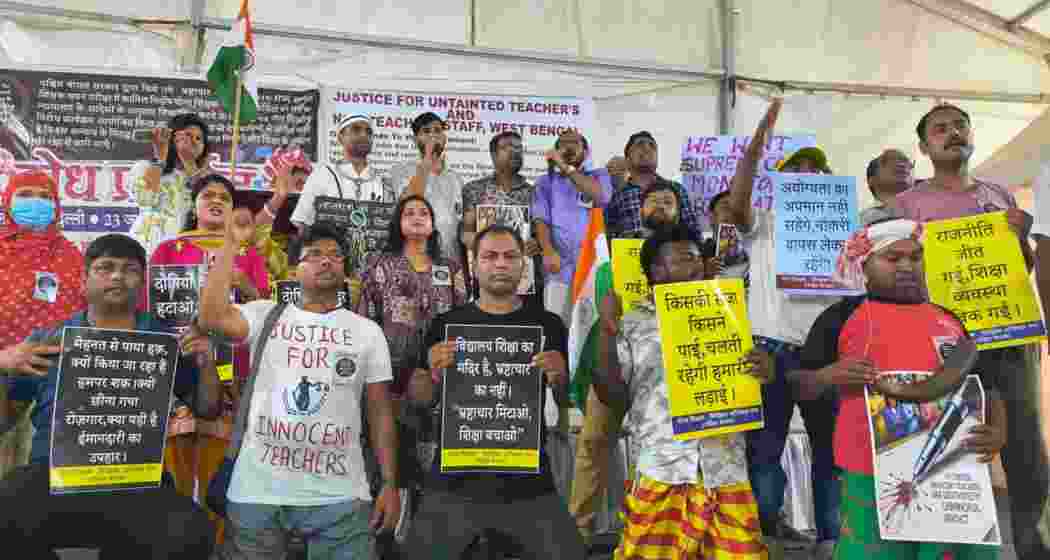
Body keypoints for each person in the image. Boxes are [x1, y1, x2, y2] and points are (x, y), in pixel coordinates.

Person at [790, 218, 1006, 560]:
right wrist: (829, 375)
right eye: (893, 259)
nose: (907, 266)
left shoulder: (948, 317)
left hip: (951, 470)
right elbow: (797, 386)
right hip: (868, 471)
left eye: (915, 257)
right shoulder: (840, 317)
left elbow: (987, 386)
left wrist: (997, 432)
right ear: (865, 266)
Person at [0, 233, 219, 558]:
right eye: (105, 267)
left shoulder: (166, 341)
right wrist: (3, 366)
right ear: (84, 279)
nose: (117, 276)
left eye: (129, 269)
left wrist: (206, 363)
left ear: (142, 282)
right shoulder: (47, 340)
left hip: (137, 480)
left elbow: (208, 409)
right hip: (53, 476)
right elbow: (4, 421)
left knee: (190, 530)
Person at [896, 103, 1047, 559]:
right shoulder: (905, 205)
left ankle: (1034, 549)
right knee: (949, 452)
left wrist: (1021, 237)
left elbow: (1020, 267)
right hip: (942, 346)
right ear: (924, 147)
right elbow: (895, 271)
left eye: (960, 125)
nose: (953, 132)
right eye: (940, 129)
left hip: (1007, 338)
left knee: (1026, 455)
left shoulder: (999, 194)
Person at [200, 220, 400, 559]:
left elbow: (380, 413)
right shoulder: (265, 315)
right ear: (294, 270)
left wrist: (390, 483)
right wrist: (230, 246)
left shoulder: (368, 332)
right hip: (257, 494)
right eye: (315, 255)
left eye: (336, 256)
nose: (326, 261)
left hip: (342, 497)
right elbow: (211, 318)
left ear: (345, 272)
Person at [400, 224, 588, 560]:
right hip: (453, 480)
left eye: (510, 256)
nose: (500, 264)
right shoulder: (445, 324)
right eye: (490, 256)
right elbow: (421, 398)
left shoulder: (548, 325)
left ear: (522, 266)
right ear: (474, 265)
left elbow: (562, 401)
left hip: (528, 481)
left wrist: (560, 378)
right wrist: (429, 369)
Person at [592, 224, 773, 560]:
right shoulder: (631, 323)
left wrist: (766, 369)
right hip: (663, 468)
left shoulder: (731, 313)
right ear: (655, 271)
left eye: (696, 259)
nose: (694, 267)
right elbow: (612, 397)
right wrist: (606, 331)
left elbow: (757, 381)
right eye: (683, 260)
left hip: (725, 469)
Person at [725, 100, 840, 560]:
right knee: (765, 450)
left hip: (827, 353)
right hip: (768, 350)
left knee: (831, 453)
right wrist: (756, 148)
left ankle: (831, 540)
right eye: (798, 174)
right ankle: (765, 535)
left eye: (817, 173)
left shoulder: (844, 232)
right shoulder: (765, 225)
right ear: (783, 186)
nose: (808, 179)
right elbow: (736, 205)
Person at [149, 174, 270, 541]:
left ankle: (218, 544)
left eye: (224, 197)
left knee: (222, 474)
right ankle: (177, 542)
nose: (216, 201)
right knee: (177, 469)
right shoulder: (169, 250)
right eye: (208, 195)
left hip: (233, 373)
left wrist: (244, 283)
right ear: (195, 204)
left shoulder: (249, 255)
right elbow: (152, 313)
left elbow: (269, 313)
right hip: (178, 373)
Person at [568, 179, 683, 544]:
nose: (662, 206)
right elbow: (594, 311)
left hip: (668, 370)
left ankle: (650, 530)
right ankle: (579, 529)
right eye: (655, 201)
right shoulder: (612, 258)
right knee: (592, 443)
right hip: (614, 359)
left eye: (669, 201)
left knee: (655, 448)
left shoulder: (695, 253)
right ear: (641, 208)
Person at [0, 171, 86, 479]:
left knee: (41, 490)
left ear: (57, 206)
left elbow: (89, 320)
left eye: (44, 196)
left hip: (59, 391)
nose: (35, 202)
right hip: (3, 382)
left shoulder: (75, 258)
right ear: (7, 201)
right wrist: (6, 358)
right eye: (25, 194)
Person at [532, 129, 613, 325]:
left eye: (574, 143)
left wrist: (565, 167)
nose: (568, 147)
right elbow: (541, 219)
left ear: (585, 151)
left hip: (592, 265)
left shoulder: (599, 175)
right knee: (557, 324)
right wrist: (548, 251)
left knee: (588, 327)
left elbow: (601, 197)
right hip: (559, 266)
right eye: (562, 143)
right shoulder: (545, 182)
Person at [291, 115, 394, 232]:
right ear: (340, 137)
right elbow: (303, 223)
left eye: (368, 132)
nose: (364, 135)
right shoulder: (323, 174)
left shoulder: (383, 181)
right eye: (356, 129)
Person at [130, 113, 212, 250]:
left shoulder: (207, 179)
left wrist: (189, 162)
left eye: (198, 138)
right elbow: (145, 200)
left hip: (187, 251)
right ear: (171, 138)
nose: (193, 141)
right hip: (148, 246)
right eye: (187, 135)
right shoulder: (145, 168)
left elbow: (208, 209)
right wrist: (161, 156)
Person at [391, 112, 466, 263]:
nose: (433, 135)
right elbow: (406, 205)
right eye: (426, 131)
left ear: (445, 137)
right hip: (416, 259)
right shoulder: (401, 170)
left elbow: (460, 221)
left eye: (438, 130)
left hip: (451, 261)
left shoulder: (456, 178)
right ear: (415, 138)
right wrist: (427, 160)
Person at [605, 131, 705, 240]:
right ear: (627, 160)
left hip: (669, 255)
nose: (647, 148)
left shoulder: (676, 189)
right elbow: (607, 236)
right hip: (629, 255)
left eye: (652, 146)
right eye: (640, 145)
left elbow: (694, 231)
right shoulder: (617, 194)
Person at [703, 190, 750, 280]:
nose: (735, 213)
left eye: (742, 209)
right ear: (711, 217)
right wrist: (704, 275)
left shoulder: (759, 252)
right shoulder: (697, 254)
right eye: (726, 207)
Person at [859, 149, 913, 226]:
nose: (902, 165)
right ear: (872, 180)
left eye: (908, 164)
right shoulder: (859, 222)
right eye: (887, 162)